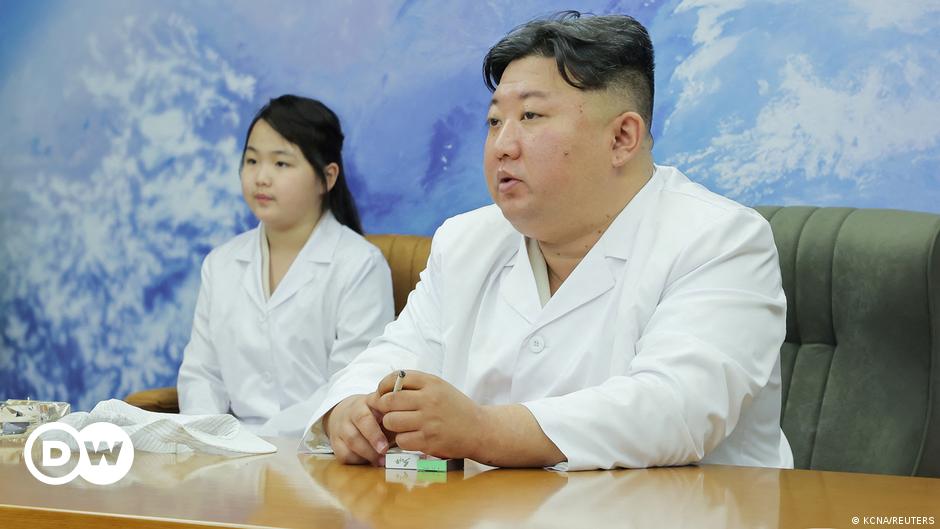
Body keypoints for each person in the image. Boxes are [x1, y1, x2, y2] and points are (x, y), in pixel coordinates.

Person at [304, 12, 793, 471]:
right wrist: (348, 410)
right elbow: (395, 355)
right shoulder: (467, 239)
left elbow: (676, 409)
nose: (502, 145)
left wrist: (483, 431)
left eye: (531, 117)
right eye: (495, 121)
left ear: (622, 137)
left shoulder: (720, 239)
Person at [177, 95, 394, 437]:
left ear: (328, 177)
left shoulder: (360, 265)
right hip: (227, 455)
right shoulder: (220, 264)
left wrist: (265, 439)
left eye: (281, 164)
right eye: (251, 161)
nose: (261, 177)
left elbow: (351, 384)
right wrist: (210, 436)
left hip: (317, 454)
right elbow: (202, 374)